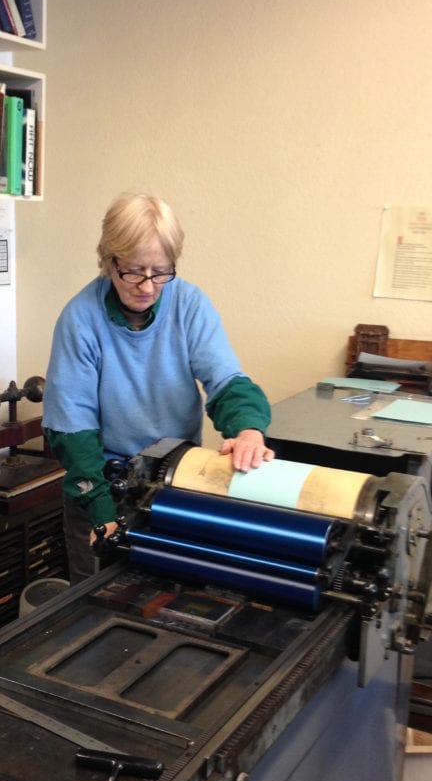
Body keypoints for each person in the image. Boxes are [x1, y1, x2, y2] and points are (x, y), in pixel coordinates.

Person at [42, 192, 274, 583]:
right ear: (108, 261)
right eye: (133, 271)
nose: (148, 286)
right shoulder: (80, 319)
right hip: (98, 484)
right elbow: (72, 429)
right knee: (96, 601)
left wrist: (248, 430)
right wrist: (103, 515)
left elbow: (227, 381)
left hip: (172, 482)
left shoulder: (189, 305)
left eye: (161, 271)